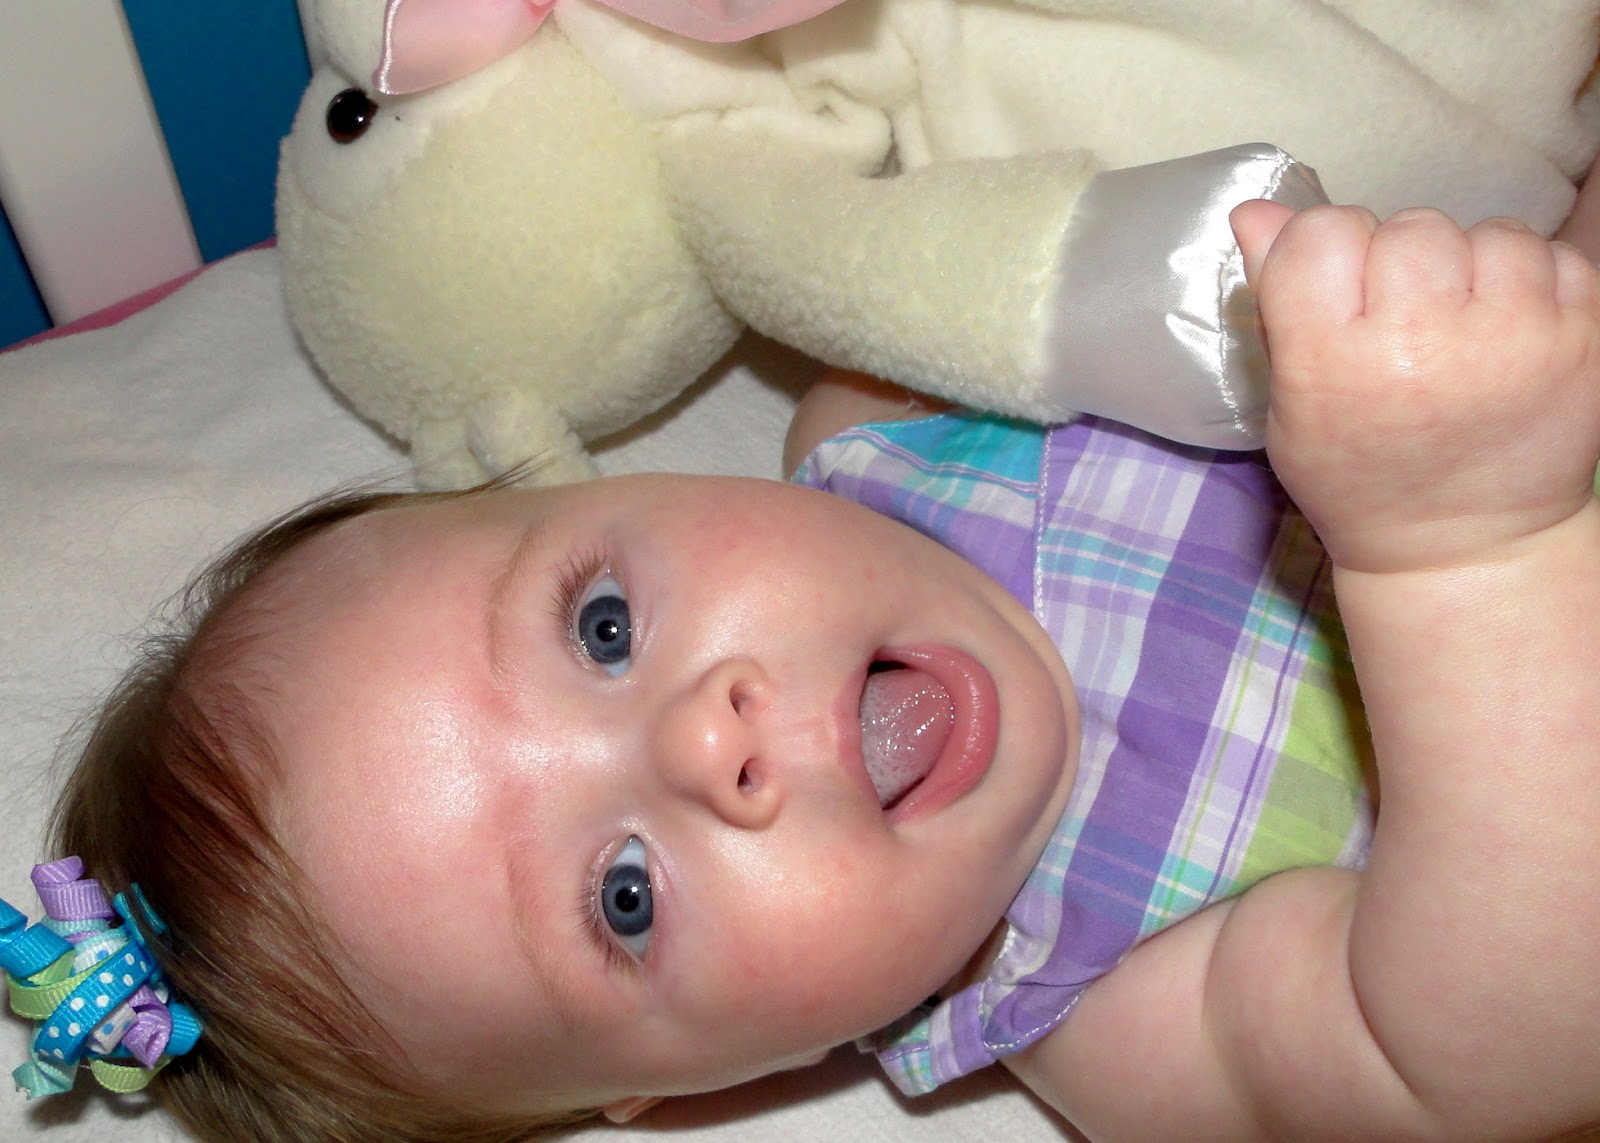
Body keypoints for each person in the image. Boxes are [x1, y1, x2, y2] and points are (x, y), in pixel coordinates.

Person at [5, 196, 1599, 1143]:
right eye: (624, 898)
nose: (709, 742)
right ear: (709, 1091)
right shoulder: (1108, 993)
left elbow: (989, 232)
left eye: (602, 628)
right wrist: (1466, 542)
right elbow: (1495, 1056)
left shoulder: (878, 428)